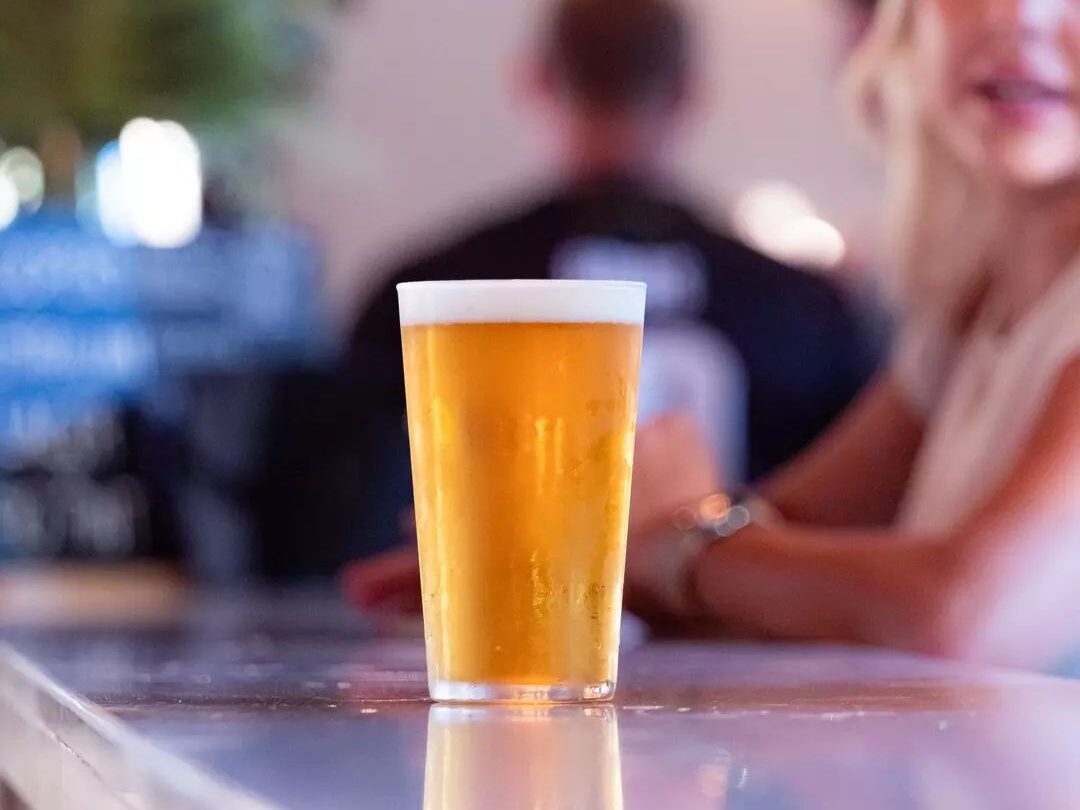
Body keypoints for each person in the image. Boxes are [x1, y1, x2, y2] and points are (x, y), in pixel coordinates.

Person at [351, 0, 1080, 673]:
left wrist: (673, 543)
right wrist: (559, 566)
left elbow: (963, 616)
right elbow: (785, 525)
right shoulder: (973, 303)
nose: (1019, 16)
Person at [318, 0, 881, 569]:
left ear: (535, 80)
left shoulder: (432, 294)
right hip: (742, 634)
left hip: (509, 629)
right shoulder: (805, 309)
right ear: (689, 91)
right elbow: (862, 526)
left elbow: (352, 523)